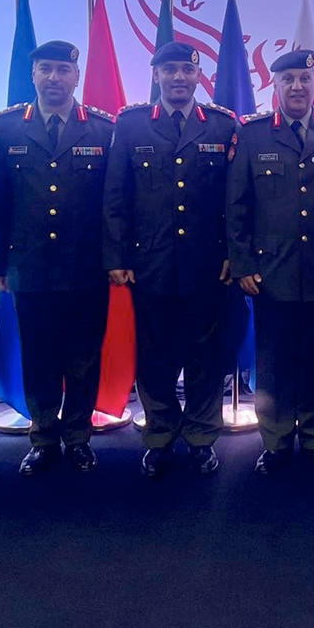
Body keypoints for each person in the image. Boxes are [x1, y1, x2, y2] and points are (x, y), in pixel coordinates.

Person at [104, 40, 238, 478]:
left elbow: (236, 200)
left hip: (207, 266)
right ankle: (160, 436)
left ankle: (201, 438)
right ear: (156, 74)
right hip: (150, 264)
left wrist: (233, 255)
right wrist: (117, 255)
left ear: (199, 75)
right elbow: (116, 196)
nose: (179, 77)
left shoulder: (221, 125)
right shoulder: (131, 124)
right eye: (170, 70)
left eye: (187, 69)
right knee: (155, 358)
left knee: (205, 359)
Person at [226, 48, 314, 476]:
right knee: (274, 363)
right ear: (275, 85)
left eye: (304, 79)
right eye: (288, 80)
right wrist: (243, 264)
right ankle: (277, 442)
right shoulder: (253, 134)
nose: (297, 87)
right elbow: (237, 205)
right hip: (272, 273)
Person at [0, 40, 115, 477]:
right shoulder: (7, 127)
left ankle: (78, 437)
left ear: (76, 76)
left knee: (84, 358)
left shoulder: (102, 129)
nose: (54, 78)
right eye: (45, 69)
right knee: (38, 356)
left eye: (63, 70)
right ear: (34, 75)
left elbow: (114, 203)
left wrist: (114, 259)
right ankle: (43, 437)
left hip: (86, 266)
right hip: (30, 266)